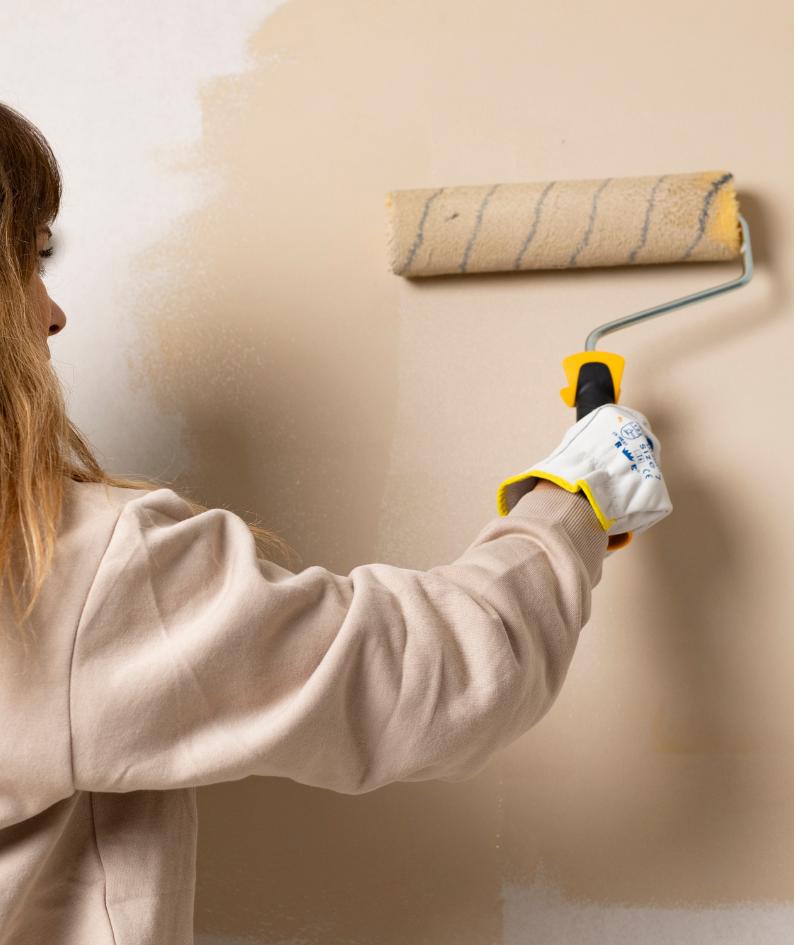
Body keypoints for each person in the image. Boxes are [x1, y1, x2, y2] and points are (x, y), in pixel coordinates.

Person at [0, 101, 672, 945]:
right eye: (29, 260)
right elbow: (439, 678)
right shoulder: (67, 564)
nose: (51, 312)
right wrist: (578, 494)